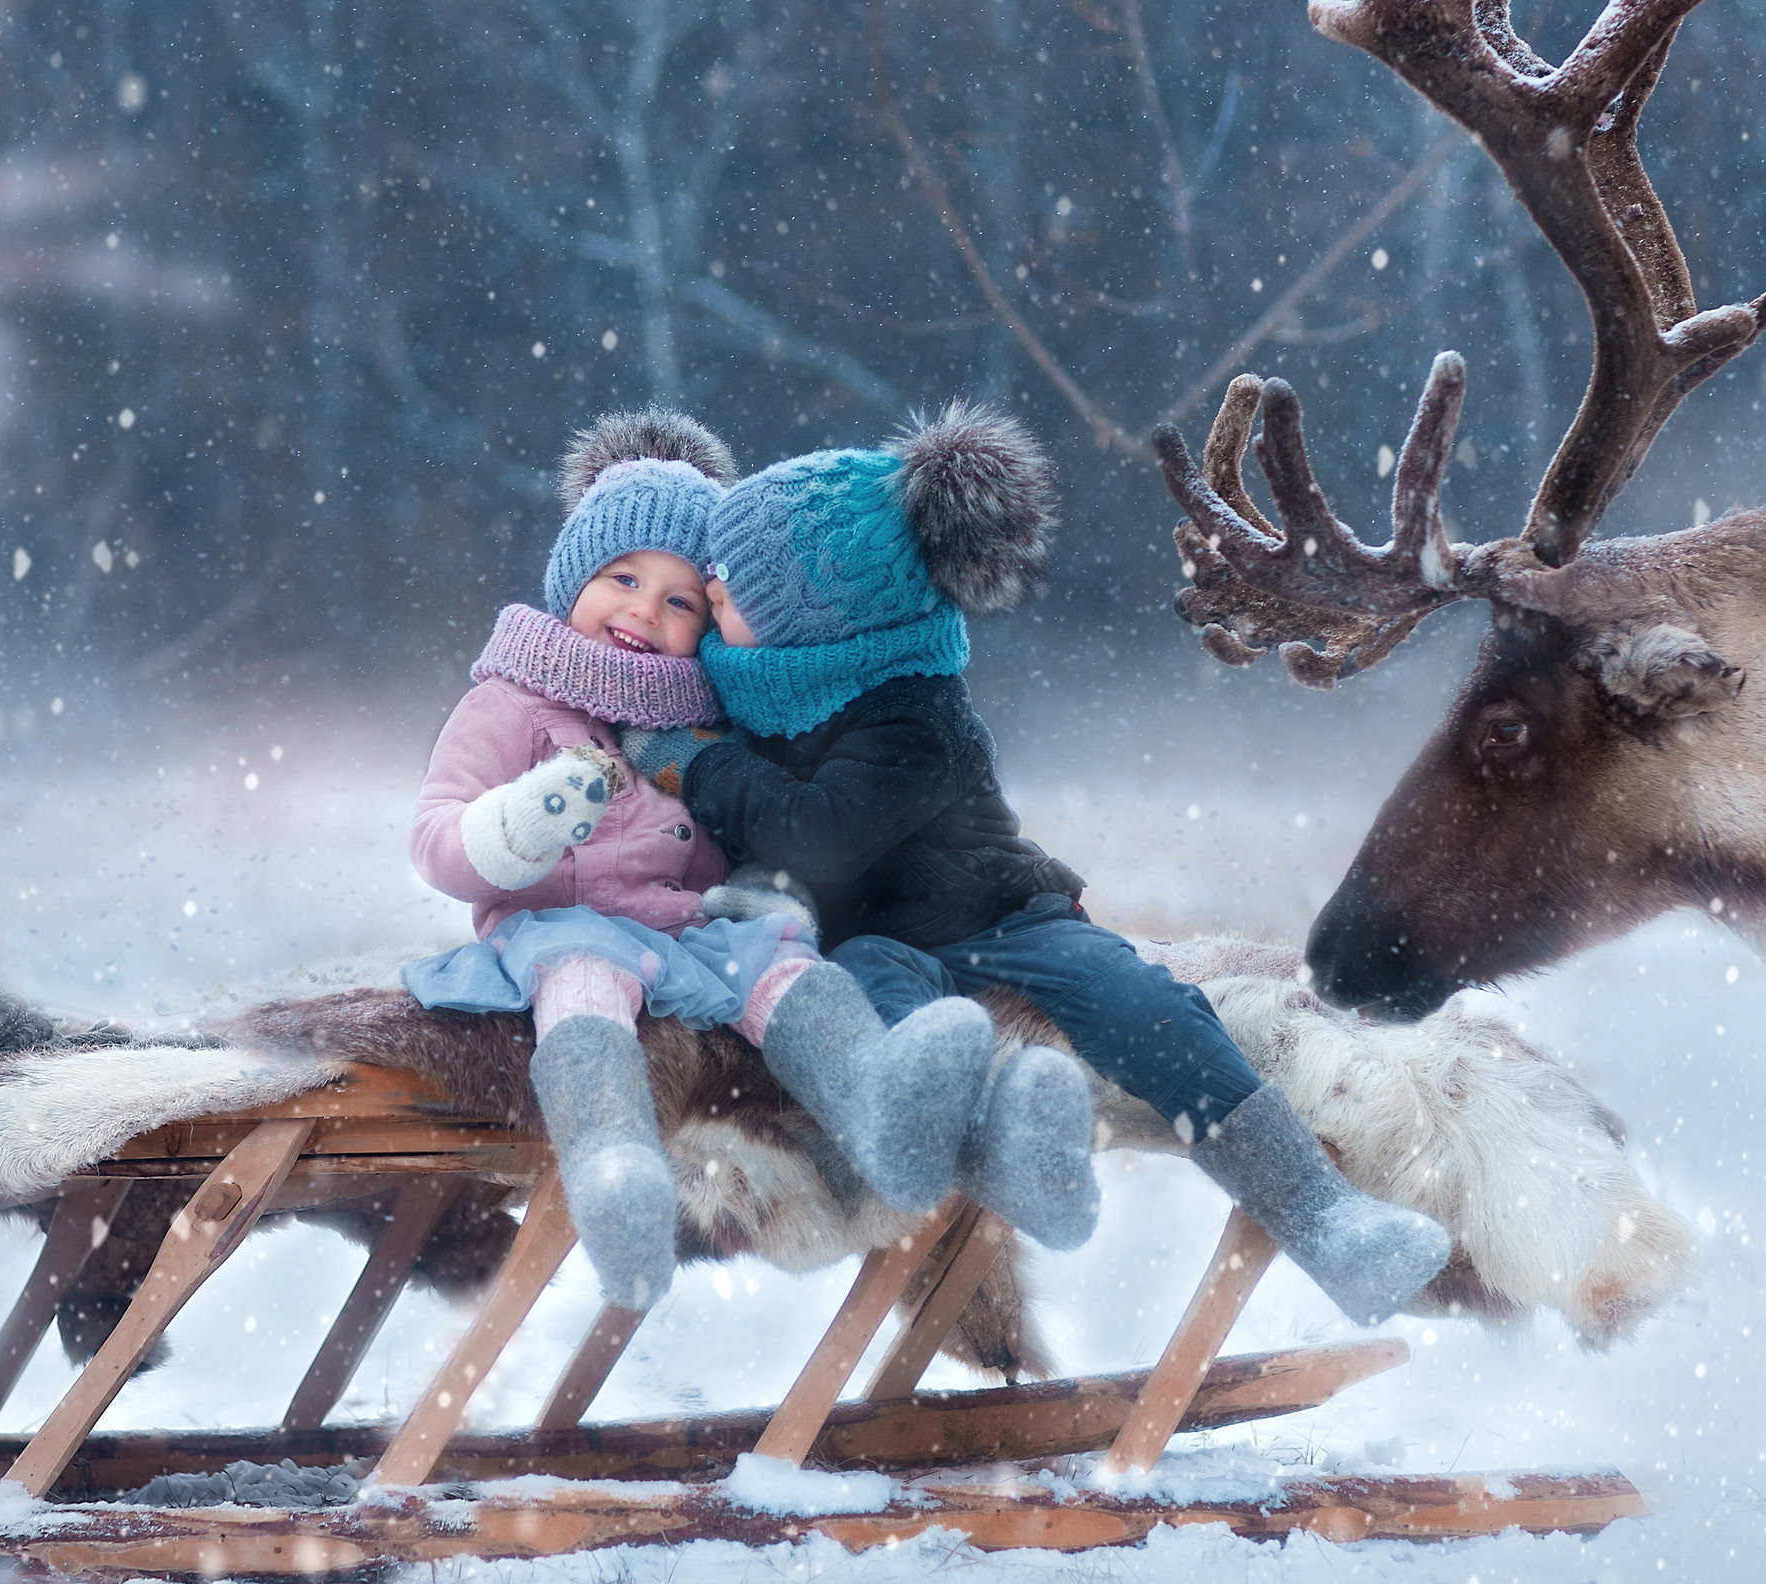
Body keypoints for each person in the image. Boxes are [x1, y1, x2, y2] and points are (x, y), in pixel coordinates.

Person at [618, 403, 1451, 1325]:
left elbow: (817, 834)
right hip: (874, 945)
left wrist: (699, 764)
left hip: (1002, 916)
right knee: (915, 1050)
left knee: (1151, 1010)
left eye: (737, 580)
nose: (712, 586)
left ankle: (1327, 1220)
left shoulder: (913, 710)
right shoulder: (744, 690)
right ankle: (1017, 1153)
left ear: (811, 619)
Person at [403, 408, 1082, 1314]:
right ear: (573, 578)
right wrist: (520, 826)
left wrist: (773, 891)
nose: (646, 609)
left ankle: (881, 1101)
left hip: (698, 931)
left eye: (681, 599)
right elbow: (437, 839)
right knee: (584, 980)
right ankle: (615, 1172)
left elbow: (771, 826)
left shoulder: (712, 718)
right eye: (624, 578)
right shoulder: (510, 703)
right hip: (566, 928)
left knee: (781, 960)